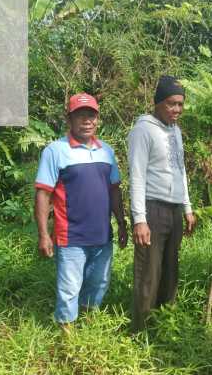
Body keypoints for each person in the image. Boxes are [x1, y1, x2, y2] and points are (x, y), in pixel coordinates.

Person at [34, 93, 128, 335]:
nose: (87, 121)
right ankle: (67, 336)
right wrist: (44, 235)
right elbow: (43, 194)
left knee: (99, 282)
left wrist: (122, 223)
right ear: (70, 119)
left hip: (102, 235)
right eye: (81, 116)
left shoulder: (106, 151)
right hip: (70, 236)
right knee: (69, 289)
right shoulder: (55, 151)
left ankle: (87, 326)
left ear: (97, 119)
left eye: (91, 116)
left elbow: (114, 190)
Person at [128, 75, 197, 333]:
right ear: (157, 102)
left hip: (175, 209)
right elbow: (137, 174)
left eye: (180, 104)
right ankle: (140, 330)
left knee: (170, 270)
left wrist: (187, 207)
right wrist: (139, 219)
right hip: (153, 209)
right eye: (171, 103)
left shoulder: (175, 131)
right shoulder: (142, 130)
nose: (177, 109)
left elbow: (180, 171)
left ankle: (163, 325)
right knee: (149, 272)